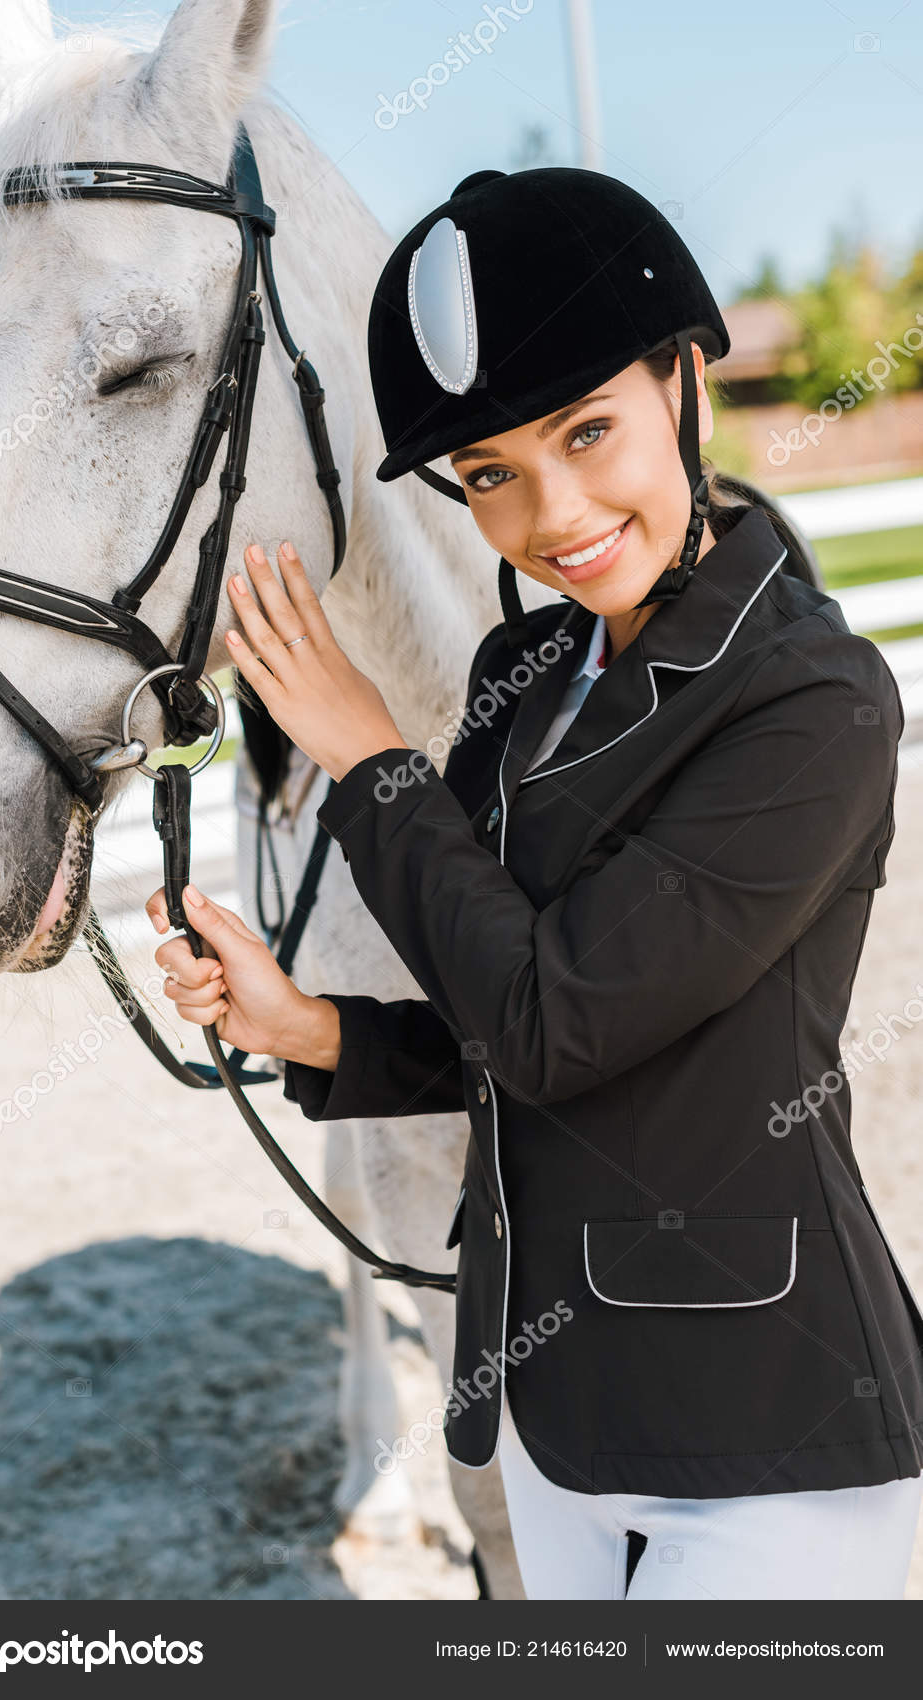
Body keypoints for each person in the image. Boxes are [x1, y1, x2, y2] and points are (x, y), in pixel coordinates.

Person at [146, 162, 923, 1599]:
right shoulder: (524, 683)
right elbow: (500, 1019)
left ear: (686, 380)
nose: (552, 513)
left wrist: (371, 753)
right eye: (491, 473)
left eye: (587, 432)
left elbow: (559, 1021)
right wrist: (305, 1028)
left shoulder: (817, 704)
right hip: (554, 1431)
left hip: (770, 1440)